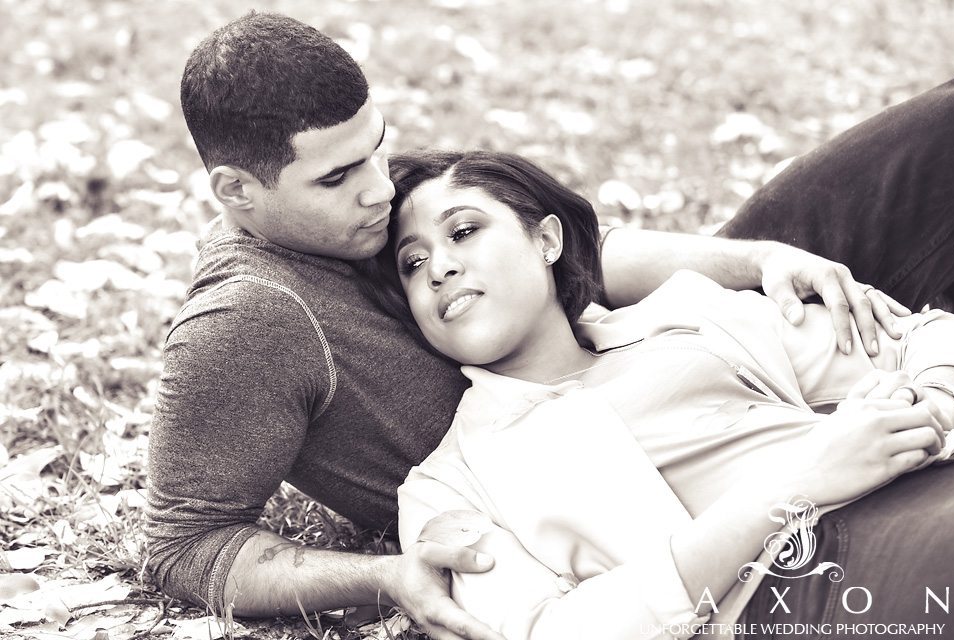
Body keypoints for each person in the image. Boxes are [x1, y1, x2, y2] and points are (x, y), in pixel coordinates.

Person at [146, 11, 909, 640]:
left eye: (376, 146)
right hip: (612, 487)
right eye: (340, 177)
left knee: (929, 140)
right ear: (236, 191)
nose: (380, 188)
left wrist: (759, 261)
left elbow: (570, 252)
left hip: (669, 344)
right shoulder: (245, 321)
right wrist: (385, 576)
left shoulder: (357, 198)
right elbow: (182, 544)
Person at [385, 149, 954, 640]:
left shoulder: (689, 317)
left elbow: (922, 336)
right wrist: (795, 484)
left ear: (547, 240)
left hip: (925, 483)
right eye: (412, 264)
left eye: (463, 232)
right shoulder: (445, 486)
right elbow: (548, 631)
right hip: (800, 589)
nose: (439, 268)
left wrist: (934, 401)